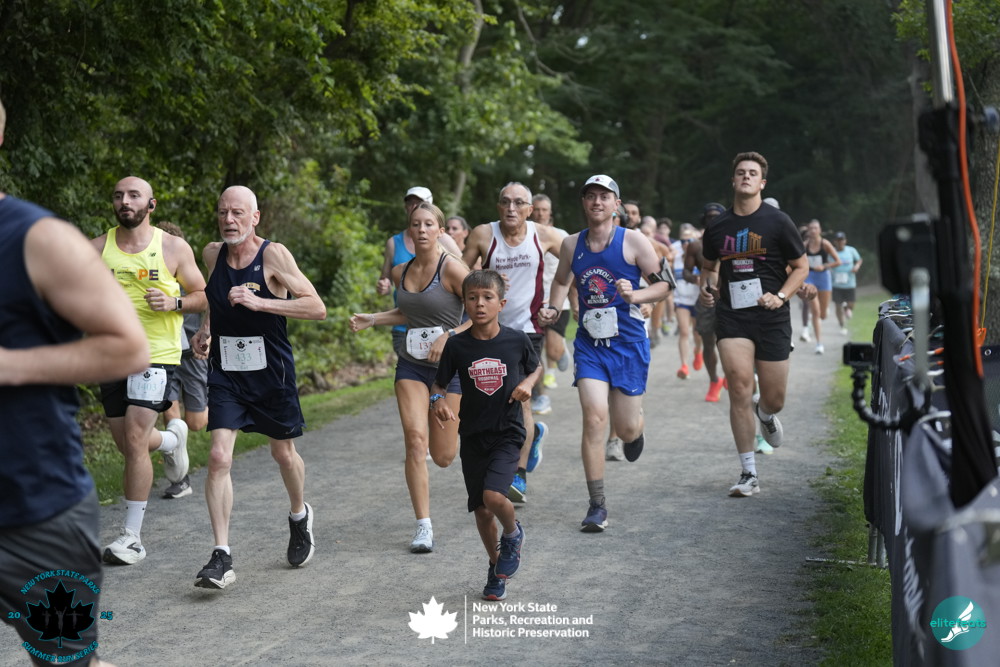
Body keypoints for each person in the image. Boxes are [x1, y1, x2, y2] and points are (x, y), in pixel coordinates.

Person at [0, 99, 146, 667]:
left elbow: (127, 346)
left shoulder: (38, 238)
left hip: (35, 511)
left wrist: (10, 366)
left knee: (66, 662)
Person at [190, 185, 327, 589]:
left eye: (237, 213)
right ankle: (221, 555)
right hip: (227, 373)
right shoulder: (212, 254)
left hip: (271, 374)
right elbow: (215, 300)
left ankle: (299, 515)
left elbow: (316, 307)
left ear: (255, 217)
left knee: (283, 453)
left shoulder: (274, 255)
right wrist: (206, 329)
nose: (228, 220)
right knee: (219, 457)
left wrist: (262, 302)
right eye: (222, 212)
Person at [541, 174, 673, 531]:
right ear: (584, 203)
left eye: (604, 196)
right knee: (595, 418)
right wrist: (553, 308)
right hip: (590, 345)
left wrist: (636, 296)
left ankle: (636, 427)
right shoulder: (571, 244)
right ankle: (597, 505)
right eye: (590, 196)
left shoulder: (634, 241)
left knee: (625, 430)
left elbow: (665, 285)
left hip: (628, 344)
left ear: (617, 204)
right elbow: (561, 280)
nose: (597, 202)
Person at [91, 176, 208, 565]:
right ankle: (172, 441)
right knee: (128, 446)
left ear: (151, 205)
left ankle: (132, 538)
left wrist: (175, 303)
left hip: (155, 354)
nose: (124, 201)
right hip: (111, 354)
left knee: (136, 437)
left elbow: (203, 295)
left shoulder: (172, 247)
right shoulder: (96, 248)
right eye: (118, 195)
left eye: (133, 195)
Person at [349, 202, 469, 553]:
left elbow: (482, 314)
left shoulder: (453, 269)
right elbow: (407, 312)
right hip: (412, 365)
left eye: (429, 224)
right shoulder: (401, 271)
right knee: (416, 441)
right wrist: (373, 319)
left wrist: (448, 336)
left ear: (440, 231)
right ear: (409, 230)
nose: (421, 230)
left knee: (444, 456)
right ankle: (423, 526)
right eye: (416, 224)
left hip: (448, 370)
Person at [699, 152, 808, 497]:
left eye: (752, 173)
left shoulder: (778, 222)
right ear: (733, 180)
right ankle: (748, 473)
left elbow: (801, 267)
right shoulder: (717, 226)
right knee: (739, 387)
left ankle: (766, 413)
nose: (746, 177)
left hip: (772, 316)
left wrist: (781, 296)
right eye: (741, 172)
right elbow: (709, 267)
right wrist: (708, 288)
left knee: (774, 398)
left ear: (762, 183)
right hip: (733, 316)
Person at [431, 270, 541, 601]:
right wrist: (437, 401)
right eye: (472, 298)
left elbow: (535, 367)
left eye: (487, 298)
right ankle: (496, 569)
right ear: (464, 303)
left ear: (501, 304)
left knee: (494, 497)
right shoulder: (457, 346)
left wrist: (527, 384)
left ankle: (513, 533)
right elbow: (439, 384)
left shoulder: (516, 340)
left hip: (507, 432)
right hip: (472, 435)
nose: (479, 304)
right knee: (481, 511)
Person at [463, 182, 562, 503]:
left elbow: (577, 262)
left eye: (519, 203)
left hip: (528, 330)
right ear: (498, 206)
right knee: (490, 399)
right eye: (505, 202)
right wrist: (483, 277)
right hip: (487, 329)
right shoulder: (483, 234)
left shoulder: (545, 235)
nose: (511, 208)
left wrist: (555, 304)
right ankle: (527, 443)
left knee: (519, 399)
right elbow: (458, 274)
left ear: (530, 210)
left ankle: (517, 475)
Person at [156, 221, 209, 500]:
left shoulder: (190, 277)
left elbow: (210, 304)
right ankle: (180, 479)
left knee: (196, 422)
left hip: (192, 356)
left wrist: (208, 336)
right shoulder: (151, 277)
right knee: (170, 415)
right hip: (165, 355)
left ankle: (219, 399)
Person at [376, 187, 462, 357]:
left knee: (438, 373)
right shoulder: (394, 243)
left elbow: (466, 274)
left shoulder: (444, 241)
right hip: (405, 328)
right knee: (409, 369)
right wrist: (383, 287)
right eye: (410, 203)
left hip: (442, 331)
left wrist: (491, 282)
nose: (414, 206)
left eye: (419, 202)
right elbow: (386, 280)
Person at [685, 203, 726, 401]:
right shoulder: (696, 246)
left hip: (730, 300)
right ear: (704, 220)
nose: (713, 220)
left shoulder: (733, 243)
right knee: (708, 343)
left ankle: (732, 374)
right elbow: (686, 271)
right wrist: (695, 278)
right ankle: (714, 381)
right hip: (706, 300)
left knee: (730, 343)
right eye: (709, 217)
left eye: (717, 216)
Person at [533, 194, 571, 396]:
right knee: (534, 348)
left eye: (544, 210)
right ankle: (540, 392)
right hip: (532, 301)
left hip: (558, 299)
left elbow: (573, 267)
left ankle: (561, 349)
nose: (540, 214)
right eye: (537, 209)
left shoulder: (561, 235)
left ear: (550, 212)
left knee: (553, 351)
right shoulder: (523, 235)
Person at [801, 219, 841, 354]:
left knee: (823, 315)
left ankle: (824, 311)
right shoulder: (804, 245)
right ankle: (819, 344)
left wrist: (824, 266)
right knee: (815, 312)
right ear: (808, 231)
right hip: (810, 278)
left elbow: (838, 261)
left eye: (815, 228)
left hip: (824, 278)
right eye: (811, 228)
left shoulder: (825, 244)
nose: (813, 230)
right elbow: (798, 261)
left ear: (820, 230)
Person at [672, 223, 702, 378]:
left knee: (697, 333)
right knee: (684, 332)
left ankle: (698, 351)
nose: (685, 244)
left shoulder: (701, 258)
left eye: (689, 241)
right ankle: (684, 366)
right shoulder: (675, 258)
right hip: (681, 300)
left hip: (698, 300)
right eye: (682, 241)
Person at [831, 231, 862, 334]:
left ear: (845, 241)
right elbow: (827, 263)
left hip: (850, 283)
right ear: (835, 242)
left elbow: (859, 260)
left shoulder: (851, 250)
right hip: (836, 284)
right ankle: (842, 326)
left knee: (851, 304)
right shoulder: (832, 252)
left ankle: (847, 308)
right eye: (838, 240)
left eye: (842, 240)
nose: (840, 242)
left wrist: (856, 266)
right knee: (837, 306)